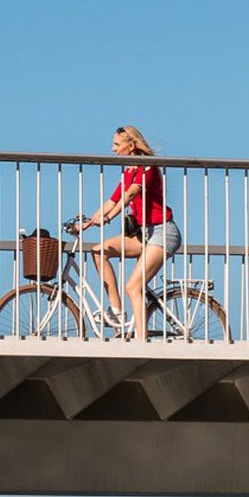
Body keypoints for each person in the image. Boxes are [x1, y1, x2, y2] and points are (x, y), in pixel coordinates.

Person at [70, 125, 181, 338]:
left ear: (131, 146)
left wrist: (109, 218)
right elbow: (113, 199)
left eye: (117, 145)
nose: (113, 149)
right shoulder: (129, 171)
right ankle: (117, 311)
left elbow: (129, 195)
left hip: (162, 232)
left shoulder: (146, 168)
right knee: (99, 251)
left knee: (133, 286)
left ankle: (141, 341)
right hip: (143, 234)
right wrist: (87, 223)